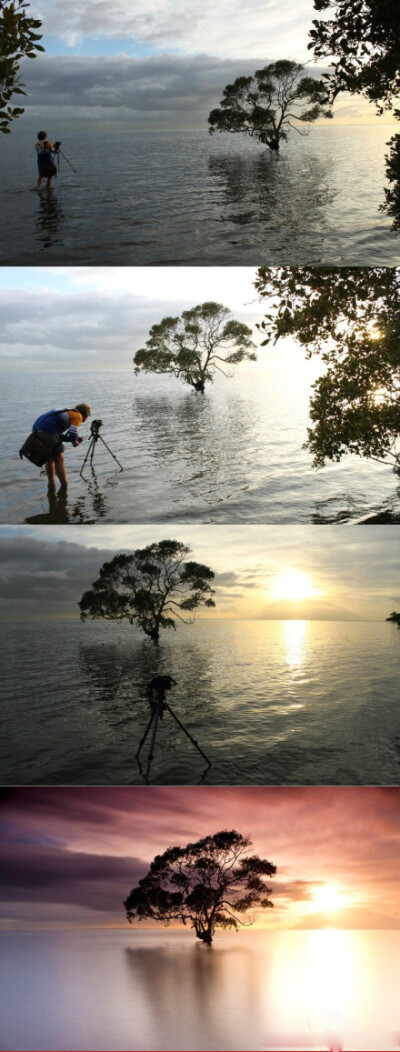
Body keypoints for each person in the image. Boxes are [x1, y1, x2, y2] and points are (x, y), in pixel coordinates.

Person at [30, 404, 91, 487]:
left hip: (36, 430)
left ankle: (51, 483)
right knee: (59, 459)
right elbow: (73, 434)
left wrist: (73, 439)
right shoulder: (78, 416)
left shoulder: (67, 411)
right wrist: (74, 442)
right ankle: (64, 485)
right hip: (47, 431)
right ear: (86, 415)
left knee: (50, 458)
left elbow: (58, 437)